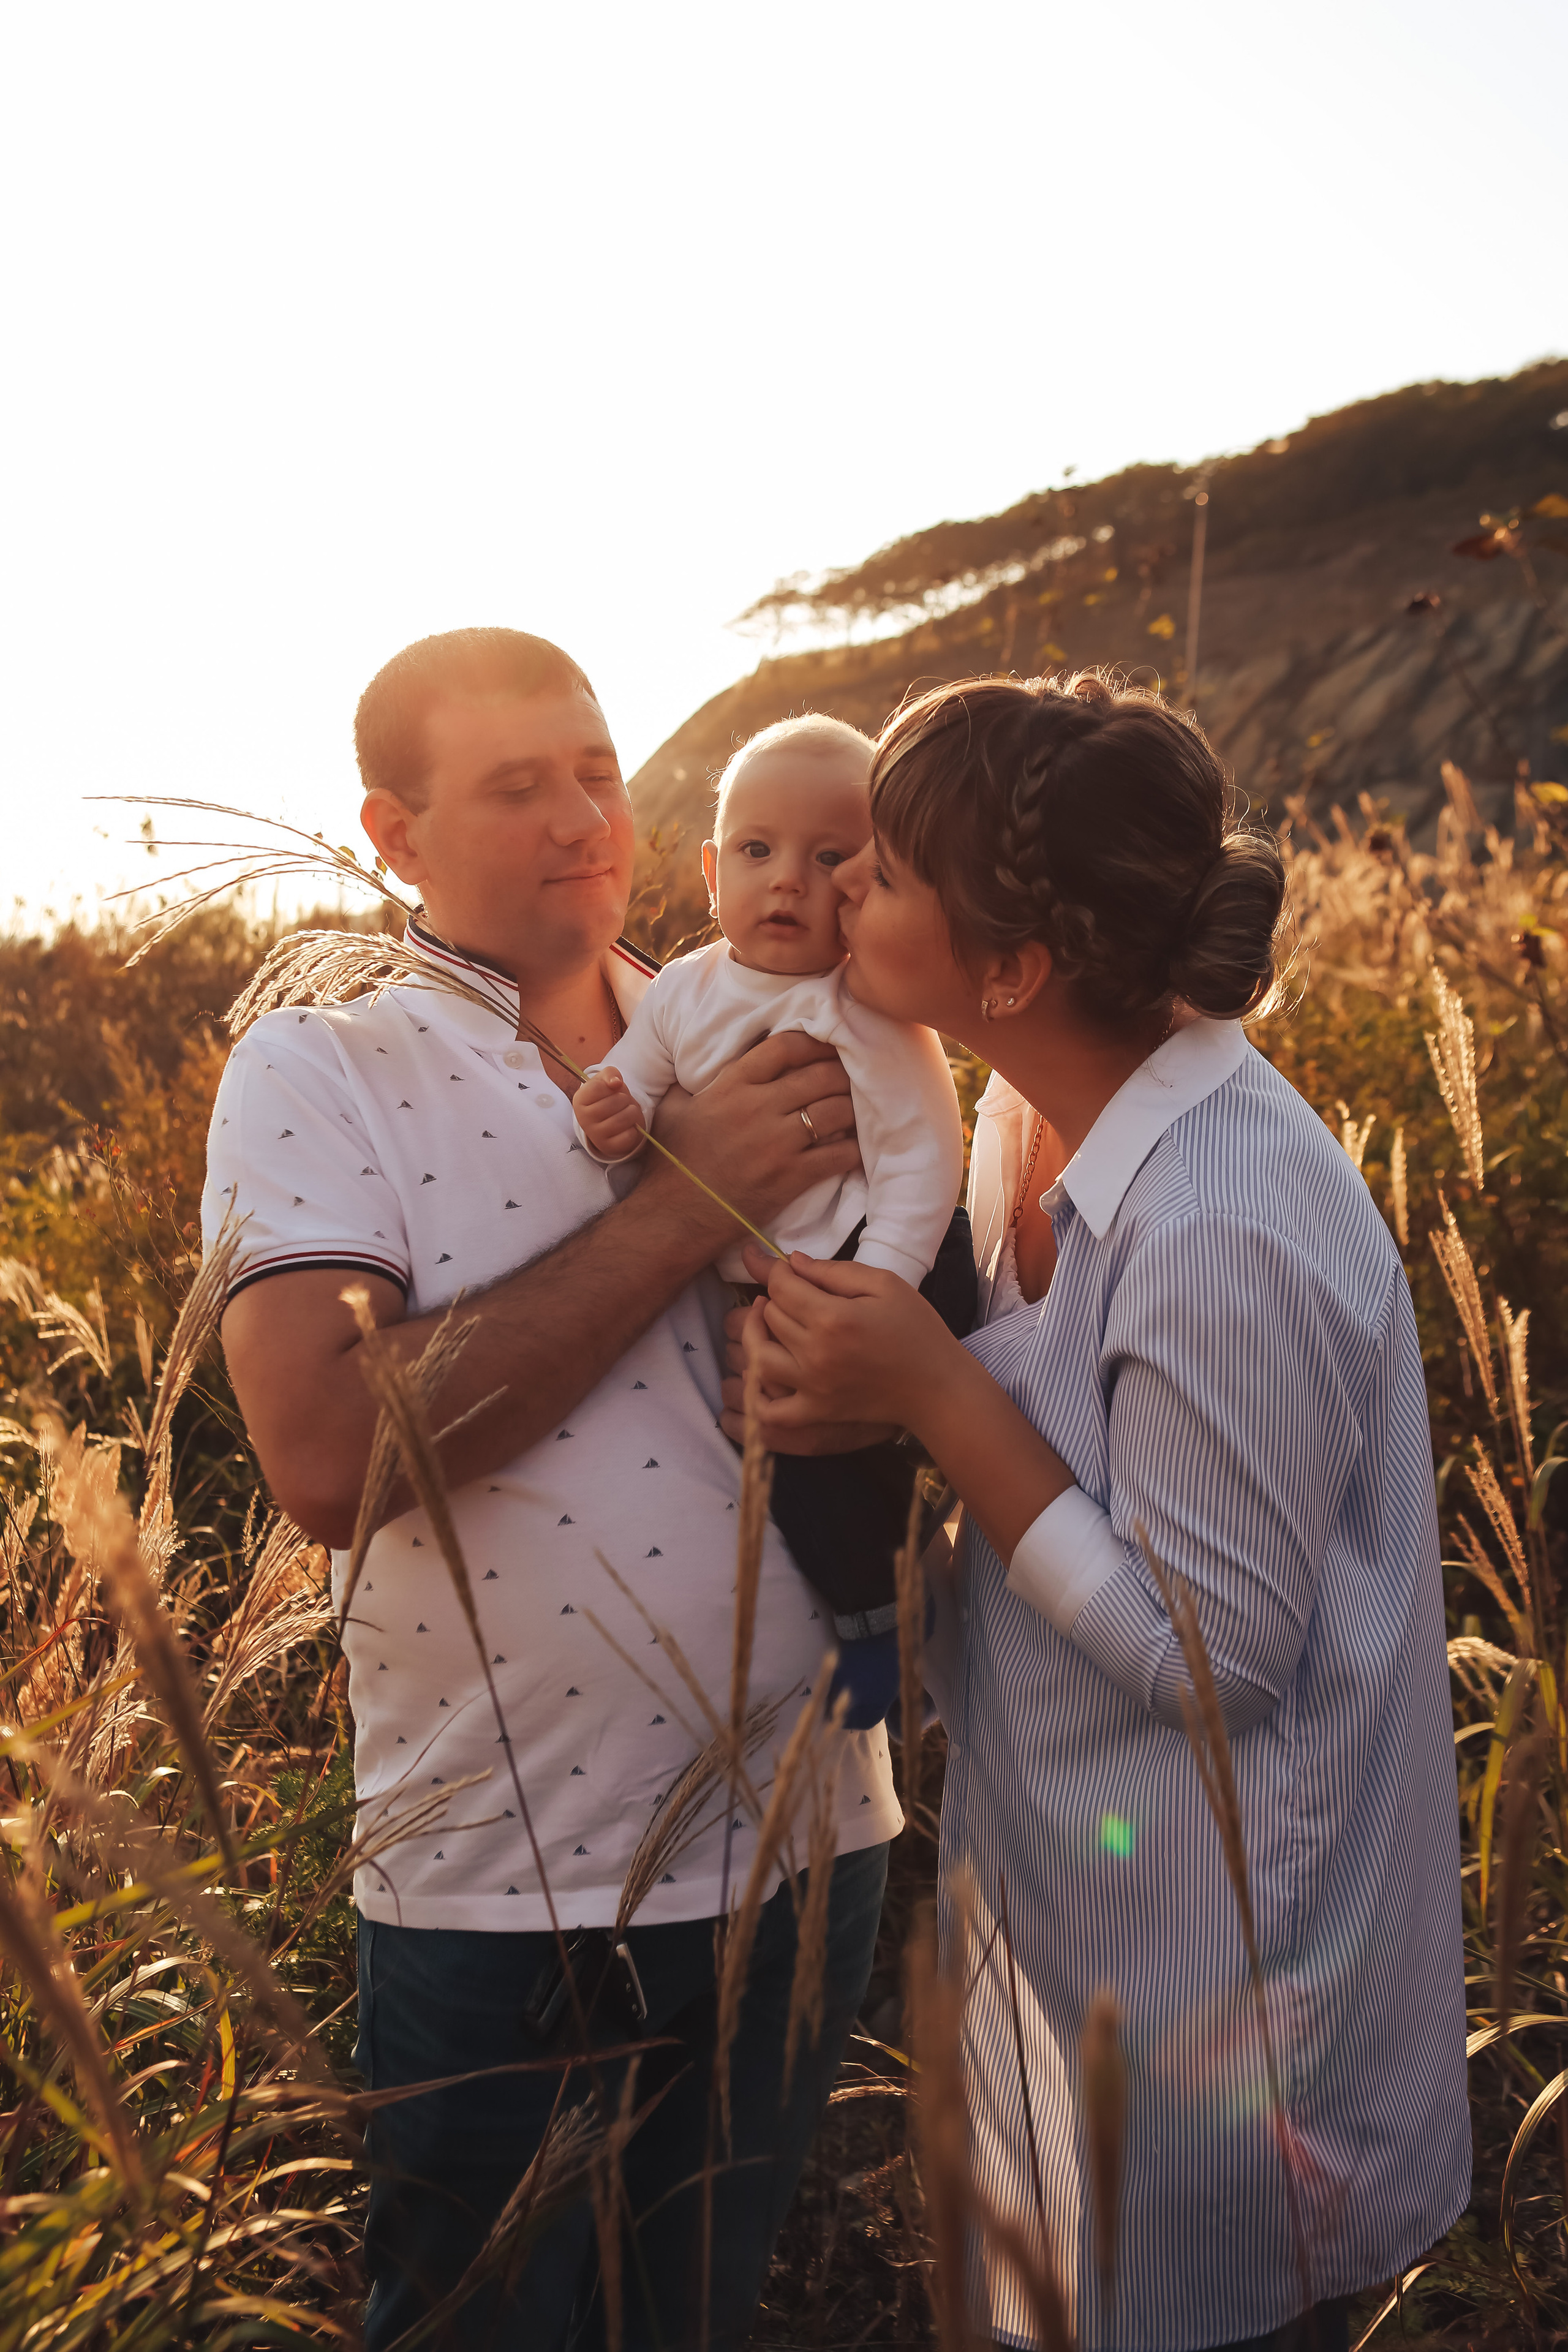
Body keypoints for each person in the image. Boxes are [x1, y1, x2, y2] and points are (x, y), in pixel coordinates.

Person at [723, 671, 1471, 2351]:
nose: (845, 886)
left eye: (891, 873)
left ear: (1012, 968)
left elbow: (1215, 1674)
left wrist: (932, 1391)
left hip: (1235, 2006)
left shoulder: (1226, 1223)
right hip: (1054, 1914)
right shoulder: (1014, 1114)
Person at [203, 627, 903, 2351]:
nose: (586, 815)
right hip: (516, 1892)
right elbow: (325, 1455)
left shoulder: (763, 1020)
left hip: (815, 1835)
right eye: (518, 786)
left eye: (598, 768)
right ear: (395, 829)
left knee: (695, 2320)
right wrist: (685, 1200)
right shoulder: (324, 1068)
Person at [573, 715, 973, 1726]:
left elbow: (927, 1151)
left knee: (830, 1446)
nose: (788, 879)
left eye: (830, 856)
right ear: (713, 871)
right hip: (790, 1275)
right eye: (758, 851)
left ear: (867, 883)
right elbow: (633, 1086)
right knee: (794, 1452)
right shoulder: (680, 996)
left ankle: (892, 1626)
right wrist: (611, 1116)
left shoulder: (871, 1010)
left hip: (893, 1253)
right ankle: (883, 1609)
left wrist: (881, 1281)